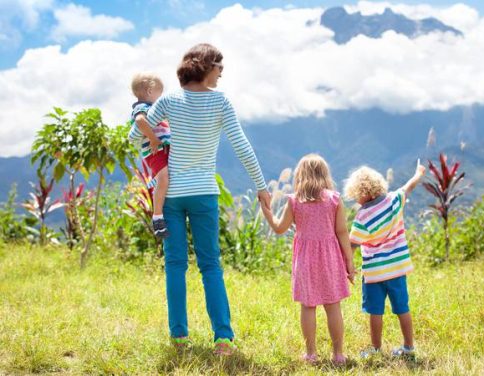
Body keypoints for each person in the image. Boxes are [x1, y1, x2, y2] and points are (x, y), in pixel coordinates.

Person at [136, 43, 272, 355]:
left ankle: (179, 338)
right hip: (204, 195)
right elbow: (242, 146)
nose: (221, 73)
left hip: (170, 196)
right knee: (211, 265)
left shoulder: (169, 100)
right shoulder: (220, 102)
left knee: (175, 265)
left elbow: (136, 134)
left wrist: (153, 136)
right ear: (205, 66)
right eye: (218, 68)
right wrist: (261, 186)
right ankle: (223, 339)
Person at [261, 154, 355, 364]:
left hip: (305, 260)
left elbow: (279, 228)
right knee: (333, 306)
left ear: (300, 176)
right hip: (330, 258)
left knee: (308, 306)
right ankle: (338, 354)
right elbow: (341, 232)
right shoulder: (334, 199)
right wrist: (349, 261)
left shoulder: (294, 201)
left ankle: (311, 353)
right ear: (324, 175)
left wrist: (265, 210)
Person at [343, 159, 425, 358]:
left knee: (375, 311)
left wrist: (348, 267)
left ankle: (376, 348)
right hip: (397, 270)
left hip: (374, 273)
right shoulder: (395, 199)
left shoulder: (362, 217)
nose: (357, 201)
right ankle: (408, 347)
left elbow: (352, 245)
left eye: (357, 197)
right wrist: (418, 174)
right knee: (402, 308)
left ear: (364, 193)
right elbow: (409, 186)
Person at [128, 72, 171, 238]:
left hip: (161, 149)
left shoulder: (153, 109)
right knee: (164, 177)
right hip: (155, 150)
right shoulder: (142, 108)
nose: (160, 98)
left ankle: (155, 182)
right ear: (150, 91)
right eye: (159, 94)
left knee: (166, 175)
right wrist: (153, 139)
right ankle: (158, 216)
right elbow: (140, 121)